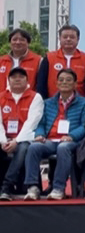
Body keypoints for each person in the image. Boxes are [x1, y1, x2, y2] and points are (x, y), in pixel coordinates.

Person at [23, 68, 85, 200]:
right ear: (56, 83)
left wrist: (72, 136)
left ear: (75, 84)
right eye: (61, 80)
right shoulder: (47, 103)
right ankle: (32, 187)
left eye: (68, 80)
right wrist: (40, 135)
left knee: (63, 147)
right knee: (33, 147)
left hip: (72, 141)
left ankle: (58, 188)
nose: (64, 82)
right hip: (50, 140)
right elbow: (41, 123)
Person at [0, 67, 44, 200]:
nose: (17, 79)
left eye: (21, 77)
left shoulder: (35, 97)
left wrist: (16, 141)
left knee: (23, 148)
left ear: (27, 80)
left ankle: (7, 186)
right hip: (4, 137)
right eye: (14, 77)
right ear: (8, 80)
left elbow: (32, 123)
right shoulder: (1, 96)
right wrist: (3, 141)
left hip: (26, 137)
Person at [37, 24, 85, 99]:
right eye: (65, 37)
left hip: (80, 104)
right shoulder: (49, 58)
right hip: (53, 103)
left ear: (78, 39)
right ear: (59, 38)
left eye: (72, 37)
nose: (68, 39)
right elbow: (41, 84)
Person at [0, 27, 42, 92]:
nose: (18, 42)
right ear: (10, 42)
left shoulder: (38, 61)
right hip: (3, 98)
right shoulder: (2, 61)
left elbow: (41, 86)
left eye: (22, 40)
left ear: (28, 43)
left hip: (29, 98)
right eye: (14, 39)